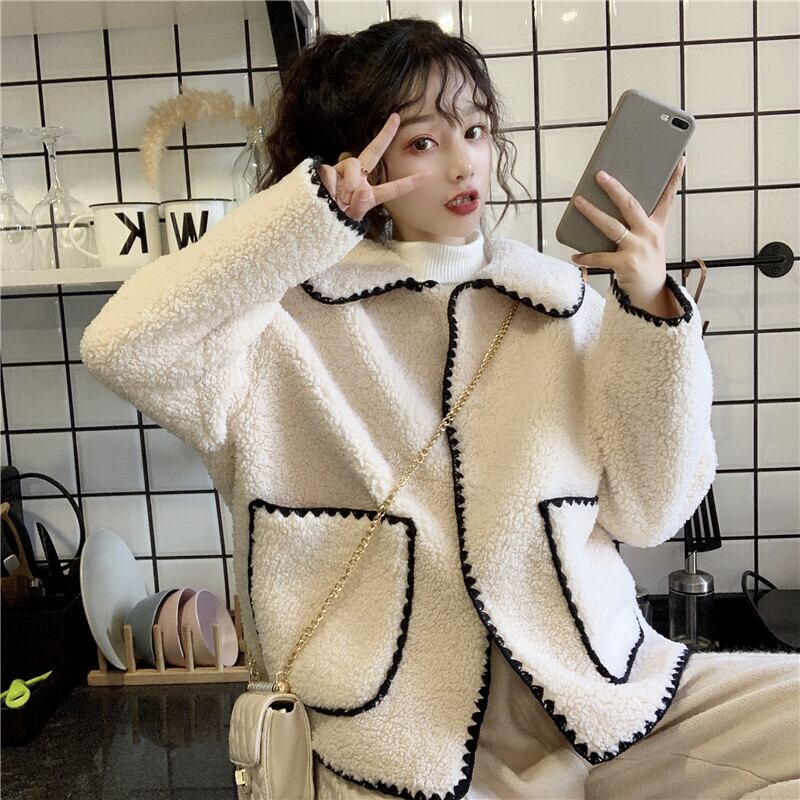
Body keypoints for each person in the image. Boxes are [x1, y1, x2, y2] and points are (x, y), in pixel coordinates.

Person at [80, 16, 799, 800]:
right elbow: (123, 345)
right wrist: (305, 220)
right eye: (423, 141)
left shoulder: (562, 306)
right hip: (397, 747)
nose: (465, 163)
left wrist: (653, 305)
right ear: (360, 155)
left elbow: (652, 512)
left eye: (476, 131)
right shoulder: (279, 327)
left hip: (602, 704)